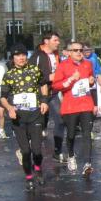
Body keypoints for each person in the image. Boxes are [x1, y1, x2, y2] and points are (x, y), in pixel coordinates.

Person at [0, 44, 49, 190]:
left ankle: (38, 168)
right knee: (26, 151)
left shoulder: (35, 70)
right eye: (17, 55)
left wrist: (44, 101)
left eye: (23, 55)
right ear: (13, 58)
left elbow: (43, 85)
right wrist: (9, 108)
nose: (21, 58)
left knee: (37, 150)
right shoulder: (9, 75)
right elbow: (2, 97)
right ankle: (29, 177)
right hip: (19, 117)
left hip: (35, 115)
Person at [52, 41, 96, 175]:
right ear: (69, 52)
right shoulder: (63, 65)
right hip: (70, 106)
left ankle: (87, 163)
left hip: (86, 104)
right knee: (71, 134)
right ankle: (71, 155)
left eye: (81, 50)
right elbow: (56, 86)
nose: (79, 53)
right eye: (75, 50)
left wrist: (91, 80)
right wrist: (71, 79)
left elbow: (91, 79)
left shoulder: (88, 64)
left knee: (87, 134)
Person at [29, 32, 66, 161]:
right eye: (55, 40)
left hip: (53, 93)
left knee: (60, 120)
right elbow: (31, 76)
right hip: (38, 94)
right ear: (46, 41)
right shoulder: (37, 56)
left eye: (58, 40)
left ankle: (57, 151)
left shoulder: (56, 55)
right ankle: (30, 152)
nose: (58, 43)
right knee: (37, 125)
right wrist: (48, 77)